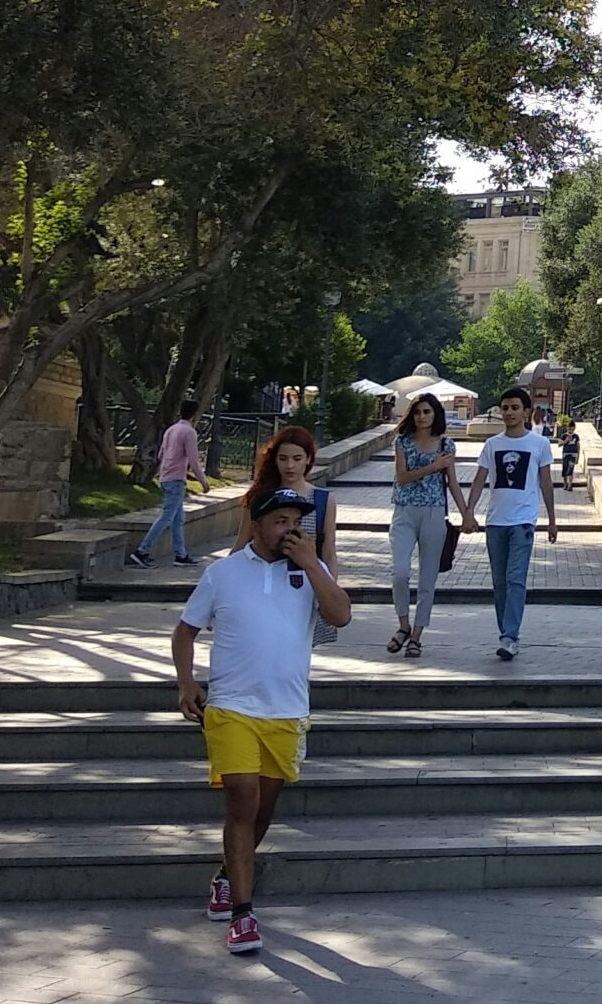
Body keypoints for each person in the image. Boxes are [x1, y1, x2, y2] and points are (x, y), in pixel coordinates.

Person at [172, 430, 353, 957]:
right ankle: (243, 916)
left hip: (287, 708)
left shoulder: (309, 575)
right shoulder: (224, 573)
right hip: (230, 706)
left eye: (296, 524)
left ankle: (228, 875)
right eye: (280, 522)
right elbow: (185, 630)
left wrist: (312, 564)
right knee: (243, 799)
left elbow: (340, 616)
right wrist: (187, 682)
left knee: (264, 810)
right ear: (258, 525)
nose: (288, 531)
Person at [463, 386, 556, 660]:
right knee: (499, 582)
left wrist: (552, 519)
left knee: (516, 579)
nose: (509, 413)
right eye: (505, 408)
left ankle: (510, 636)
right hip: (495, 522)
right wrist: (469, 512)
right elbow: (479, 479)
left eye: (515, 408)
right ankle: (506, 631)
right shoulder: (492, 445)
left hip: (523, 522)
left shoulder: (539, 444)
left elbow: (546, 482)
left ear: (526, 412)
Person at [386, 394, 464, 660]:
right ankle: (403, 624)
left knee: (427, 579)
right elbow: (403, 477)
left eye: (427, 412)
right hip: (404, 511)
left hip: (433, 513)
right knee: (400, 572)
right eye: (418, 412)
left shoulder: (446, 444)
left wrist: (466, 514)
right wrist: (434, 466)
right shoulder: (403, 442)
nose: (422, 417)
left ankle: (416, 636)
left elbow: (452, 482)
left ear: (435, 415)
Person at [127, 399, 208, 568]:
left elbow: (162, 453)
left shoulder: (171, 430)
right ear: (194, 415)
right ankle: (142, 551)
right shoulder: (189, 432)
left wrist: (160, 473)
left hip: (167, 477)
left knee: (178, 519)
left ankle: (181, 554)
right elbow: (193, 460)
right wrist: (203, 481)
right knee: (166, 517)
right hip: (176, 479)